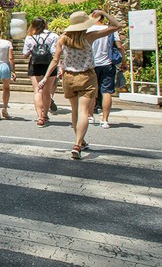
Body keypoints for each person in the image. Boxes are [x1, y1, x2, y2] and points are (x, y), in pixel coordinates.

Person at [38, 10, 123, 160]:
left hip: (69, 77)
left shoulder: (63, 39)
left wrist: (45, 78)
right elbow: (117, 26)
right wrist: (103, 12)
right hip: (86, 76)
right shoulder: (88, 37)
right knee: (84, 111)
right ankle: (77, 144)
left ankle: (81, 140)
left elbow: (55, 60)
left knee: (75, 111)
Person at [88, 8, 126, 129]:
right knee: (106, 92)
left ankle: (90, 116)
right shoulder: (110, 30)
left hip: (92, 64)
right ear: (103, 18)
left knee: (91, 91)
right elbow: (119, 46)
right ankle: (104, 120)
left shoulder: (88, 30)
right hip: (107, 64)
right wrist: (124, 62)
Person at [23, 17, 59, 127]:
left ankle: (39, 117)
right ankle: (45, 114)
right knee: (47, 91)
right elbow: (54, 52)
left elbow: (25, 54)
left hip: (35, 65)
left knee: (38, 91)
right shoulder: (54, 36)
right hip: (49, 65)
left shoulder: (30, 38)